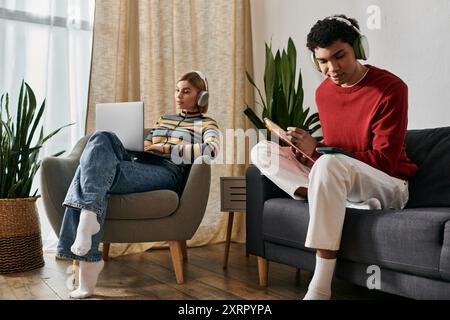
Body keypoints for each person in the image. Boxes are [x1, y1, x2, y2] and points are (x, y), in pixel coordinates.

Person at [251, 15, 418, 300]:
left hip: (388, 185)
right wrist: (306, 153)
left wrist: (318, 151)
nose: (332, 68)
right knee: (261, 151)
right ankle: (328, 194)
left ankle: (320, 286)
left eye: (339, 56)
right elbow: (338, 147)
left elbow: (383, 162)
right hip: (341, 176)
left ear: (359, 48)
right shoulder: (323, 92)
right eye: (323, 61)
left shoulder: (391, 88)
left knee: (327, 163)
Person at [56, 71, 220, 299]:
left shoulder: (206, 124)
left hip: (167, 171)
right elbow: (147, 143)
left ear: (201, 97)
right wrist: (139, 143)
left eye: (186, 91)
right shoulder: (166, 119)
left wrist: (167, 149)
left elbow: (211, 150)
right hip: (140, 162)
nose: (179, 95)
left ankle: (88, 249)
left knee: (88, 172)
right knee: (101, 136)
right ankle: (89, 223)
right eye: (177, 89)